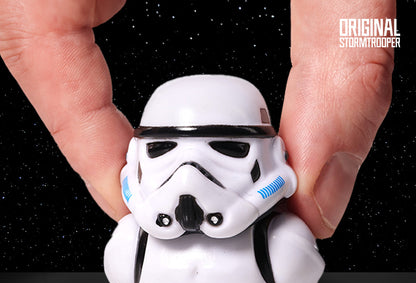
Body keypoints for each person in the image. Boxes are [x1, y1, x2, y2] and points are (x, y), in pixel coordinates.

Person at [0, 0, 394, 239]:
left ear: (277, 157)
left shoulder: (282, 243)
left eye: (228, 149)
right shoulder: (134, 246)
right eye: (162, 149)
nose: (187, 175)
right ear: (135, 159)